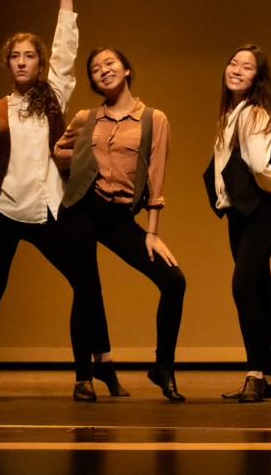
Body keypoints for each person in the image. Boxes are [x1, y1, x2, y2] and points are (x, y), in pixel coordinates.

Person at [0, 0, 126, 401]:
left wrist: (66, 1)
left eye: (29, 56)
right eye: (15, 56)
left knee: (86, 284)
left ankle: (105, 366)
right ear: (7, 64)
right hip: (4, 212)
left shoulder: (50, 98)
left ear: (39, 63)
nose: (22, 62)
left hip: (47, 210)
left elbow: (65, 52)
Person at [54, 47, 187, 401]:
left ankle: (163, 368)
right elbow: (58, 152)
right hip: (81, 209)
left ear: (126, 68)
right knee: (85, 291)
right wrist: (85, 160)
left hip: (119, 216)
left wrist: (152, 232)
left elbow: (156, 177)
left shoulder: (153, 119)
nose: (103, 71)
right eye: (95, 69)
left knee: (174, 281)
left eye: (110, 63)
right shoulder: (87, 117)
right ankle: (84, 378)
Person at [203, 44, 271, 403]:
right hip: (240, 216)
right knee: (261, 293)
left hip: (260, 214)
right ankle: (265, 377)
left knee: (243, 287)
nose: (236, 69)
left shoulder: (254, 114)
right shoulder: (230, 116)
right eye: (233, 62)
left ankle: (254, 373)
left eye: (247, 67)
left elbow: (258, 167)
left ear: (258, 78)